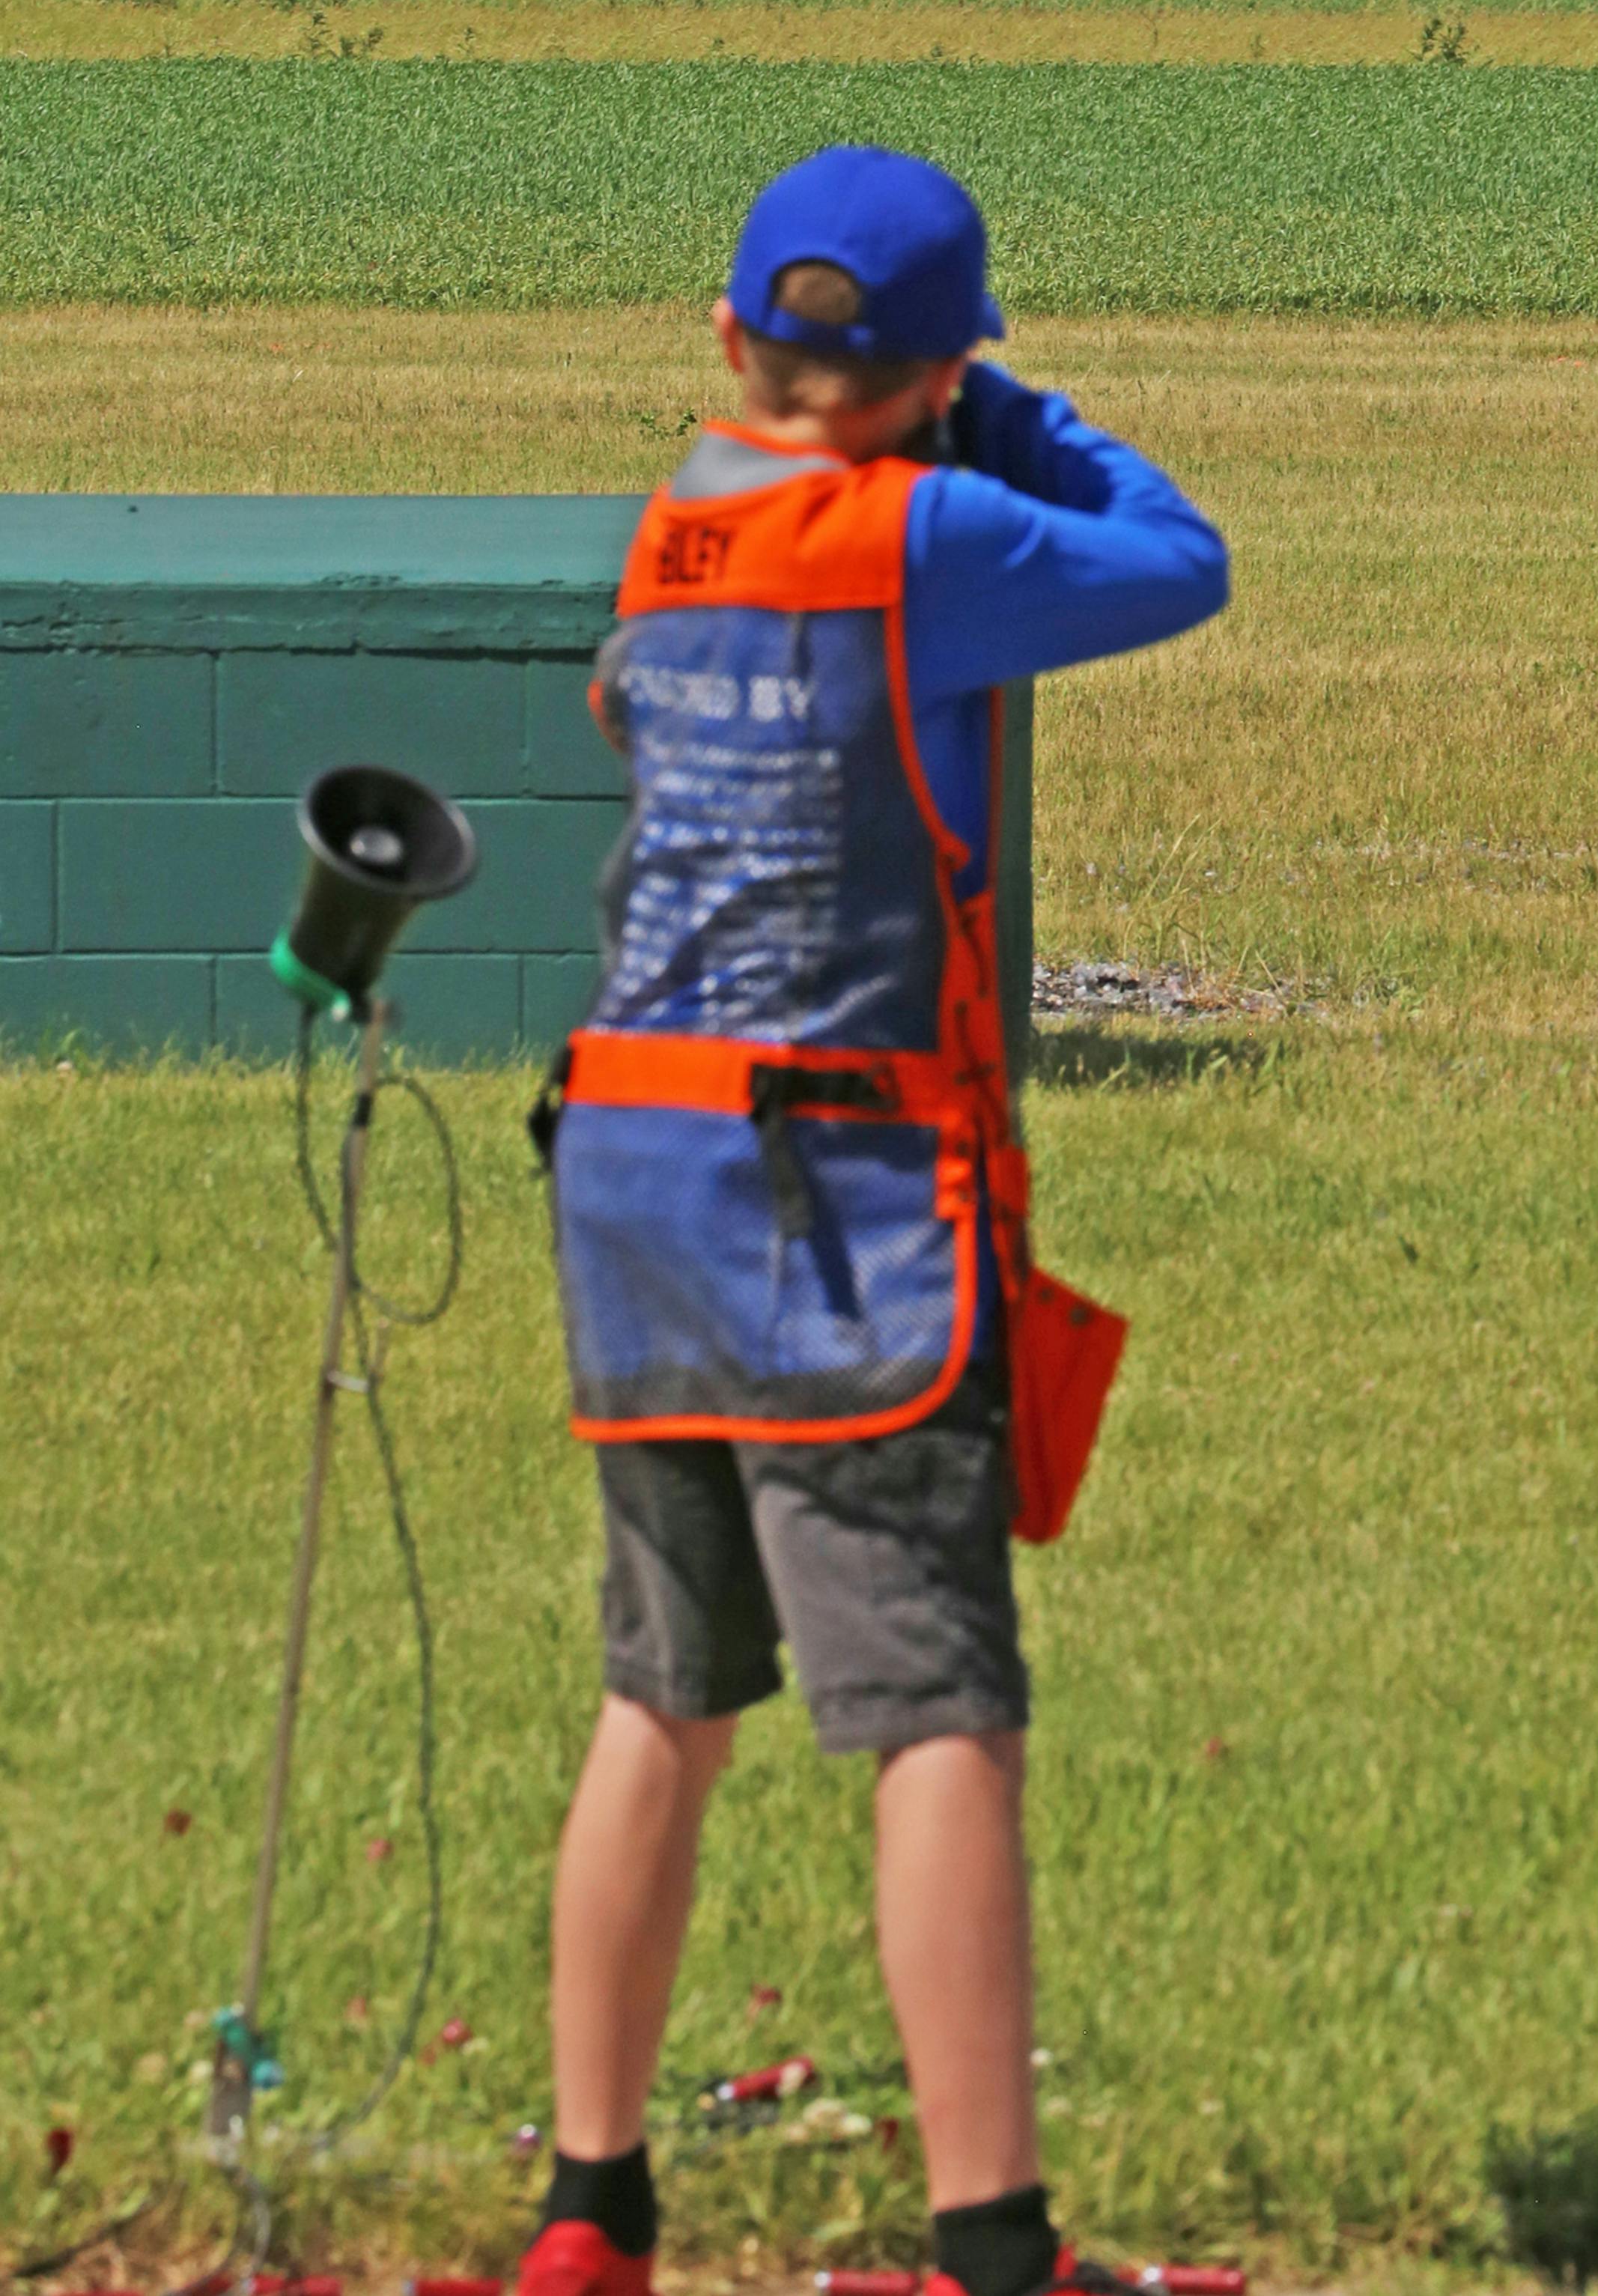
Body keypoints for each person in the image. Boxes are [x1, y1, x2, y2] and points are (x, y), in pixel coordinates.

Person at [521, 145, 1228, 2296]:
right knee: (938, 1714)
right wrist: (1010, 422)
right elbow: (1179, 559)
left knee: (665, 1699)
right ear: (938, 375)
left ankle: (591, 2209)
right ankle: (993, 2250)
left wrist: (921, 406)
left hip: (631, 1195)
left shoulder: (674, 526)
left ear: (731, 339)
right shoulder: (935, 529)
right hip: (834, 1220)